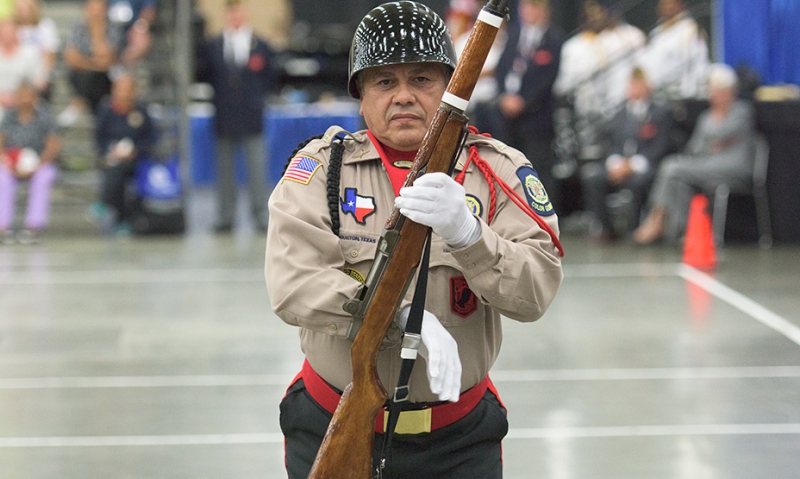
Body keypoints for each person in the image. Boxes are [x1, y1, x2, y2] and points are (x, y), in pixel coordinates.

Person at [265, 2, 563, 478]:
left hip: (458, 442)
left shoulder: (497, 172)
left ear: (450, 88)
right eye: (385, 81)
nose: (403, 96)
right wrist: (400, 317)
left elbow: (535, 293)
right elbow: (293, 285)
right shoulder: (322, 170)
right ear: (360, 96)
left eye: (422, 79)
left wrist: (470, 236)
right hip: (332, 423)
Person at [633, 63, 754, 245]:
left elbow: (722, 134)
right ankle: (685, 232)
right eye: (713, 90)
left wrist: (714, 141)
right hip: (706, 166)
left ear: (731, 91)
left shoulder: (742, 111)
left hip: (733, 168)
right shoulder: (706, 117)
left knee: (672, 167)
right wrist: (713, 144)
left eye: (720, 91)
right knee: (677, 177)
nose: (715, 95)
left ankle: (657, 219)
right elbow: (695, 148)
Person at [199, 0, 274, 233]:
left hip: (251, 116)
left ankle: (260, 214)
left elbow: (271, 77)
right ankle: (225, 215)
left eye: (239, 13)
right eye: (231, 14)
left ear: (246, 14)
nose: (235, 18)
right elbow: (206, 75)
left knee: (257, 168)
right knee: (224, 170)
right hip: (224, 115)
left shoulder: (260, 45)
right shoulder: (214, 45)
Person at [580, 67, 672, 241]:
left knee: (639, 182)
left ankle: (635, 228)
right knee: (592, 177)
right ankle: (606, 228)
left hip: (646, 166)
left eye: (638, 85)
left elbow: (661, 147)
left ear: (648, 87)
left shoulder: (660, 113)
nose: (634, 89)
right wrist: (616, 164)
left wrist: (633, 166)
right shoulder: (620, 113)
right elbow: (611, 144)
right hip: (619, 164)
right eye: (632, 85)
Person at [491, 0, 564, 209]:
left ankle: (544, 215)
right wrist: (504, 97)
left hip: (536, 116)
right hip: (508, 115)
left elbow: (548, 77)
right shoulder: (514, 36)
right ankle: (510, 210)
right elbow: (501, 68)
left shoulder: (553, 38)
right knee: (507, 165)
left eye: (532, 7)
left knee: (538, 167)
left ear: (543, 10)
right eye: (524, 7)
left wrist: (524, 102)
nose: (527, 12)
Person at [554, 0, 645, 119]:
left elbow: (644, 72)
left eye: (600, 11)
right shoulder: (573, 46)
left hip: (627, 109)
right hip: (588, 113)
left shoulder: (629, 36)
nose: (595, 17)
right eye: (590, 12)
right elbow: (563, 87)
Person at [94, 73, 156, 234]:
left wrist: (135, 151)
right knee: (114, 171)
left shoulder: (141, 112)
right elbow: (99, 137)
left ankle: (105, 201)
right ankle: (123, 217)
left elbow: (151, 139)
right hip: (112, 158)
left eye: (127, 90)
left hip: (136, 160)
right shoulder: (106, 111)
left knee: (119, 171)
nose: (124, 94)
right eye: (120, 89)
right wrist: (110, 150)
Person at [0, 81, 59, 244]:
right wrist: (8, 162)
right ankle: (3, 226)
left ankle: (34, 226)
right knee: (2, 178)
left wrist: (37, 165)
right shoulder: (10, 115)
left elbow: (53, 144)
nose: (25, 99)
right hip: (11, 162)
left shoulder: (44, 115)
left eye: (29, 95)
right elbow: (1, 141)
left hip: (39, 162)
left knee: (44, 177)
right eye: (22, 95)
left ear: (35, 97)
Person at [60, 0, 124, 126]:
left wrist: (97, 32)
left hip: (107, 77)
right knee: (87, 75)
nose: (96, 12)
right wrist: (94, 65)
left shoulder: (114, 29)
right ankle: (97, 115)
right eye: (92, 8)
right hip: (82, 75)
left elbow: (107, 59)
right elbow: (71, 58)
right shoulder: (78, 28)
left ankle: (79, 102)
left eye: (99, 8)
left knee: (96, 77)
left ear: (106, 10)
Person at [640, 0, 709, 101]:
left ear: (681, 5)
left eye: (670, 3)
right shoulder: (655, 34)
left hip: (681, 97)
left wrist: (690, 94)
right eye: (663, 3)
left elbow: (699, 64)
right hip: (656, 98)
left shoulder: (689, 30)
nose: (666, 7)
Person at [0, 18, 46, 119]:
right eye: (3, 32)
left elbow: (40, 81)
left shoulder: (31, 53)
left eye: (9, 31)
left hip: (25, 102)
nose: (6, 35)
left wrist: (20, 97)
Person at [14, 0, 59, 100]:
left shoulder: (46, 26)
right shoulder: (12, 28)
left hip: (39, 73)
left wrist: (43, 76)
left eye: (27, 8)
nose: (24, 12)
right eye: (21, 9)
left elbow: (50, 55)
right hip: (16, 73)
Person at [107, 0, 157, 66]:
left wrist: (140, 26)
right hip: (107, 25)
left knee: (141, 40)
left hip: (133, 26)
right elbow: (96, 6)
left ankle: (119, 67)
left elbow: (149, 10)